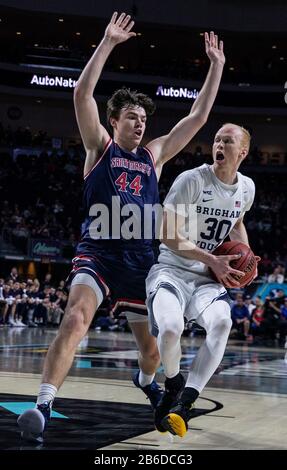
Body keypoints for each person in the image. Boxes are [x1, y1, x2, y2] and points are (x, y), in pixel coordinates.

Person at [18, 11, 225, 442]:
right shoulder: (100, 147)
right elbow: (81, 93)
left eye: (144, 118)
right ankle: (42, 404)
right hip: (99, 252)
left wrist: (216, 66)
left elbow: (198, 117)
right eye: (132, 116)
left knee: (151, 352)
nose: (140, 122)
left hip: (141, 261)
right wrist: (108, 43)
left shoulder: (154, 155)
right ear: (115, 121)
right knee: (75, 318)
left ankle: (147, 381)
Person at [146, 122, 260, 437]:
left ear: (243, 152)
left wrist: (248, 259)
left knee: (223, 323)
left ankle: (185, 403)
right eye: (216, 140)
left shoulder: (247, 188)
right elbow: (166, 234)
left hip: (208, 278)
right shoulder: (192, 180)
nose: (219, 145)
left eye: (228, 141)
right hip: (172, 269)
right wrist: (213, 259)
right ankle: (172, 383)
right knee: (171, 329)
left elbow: (236, 223)